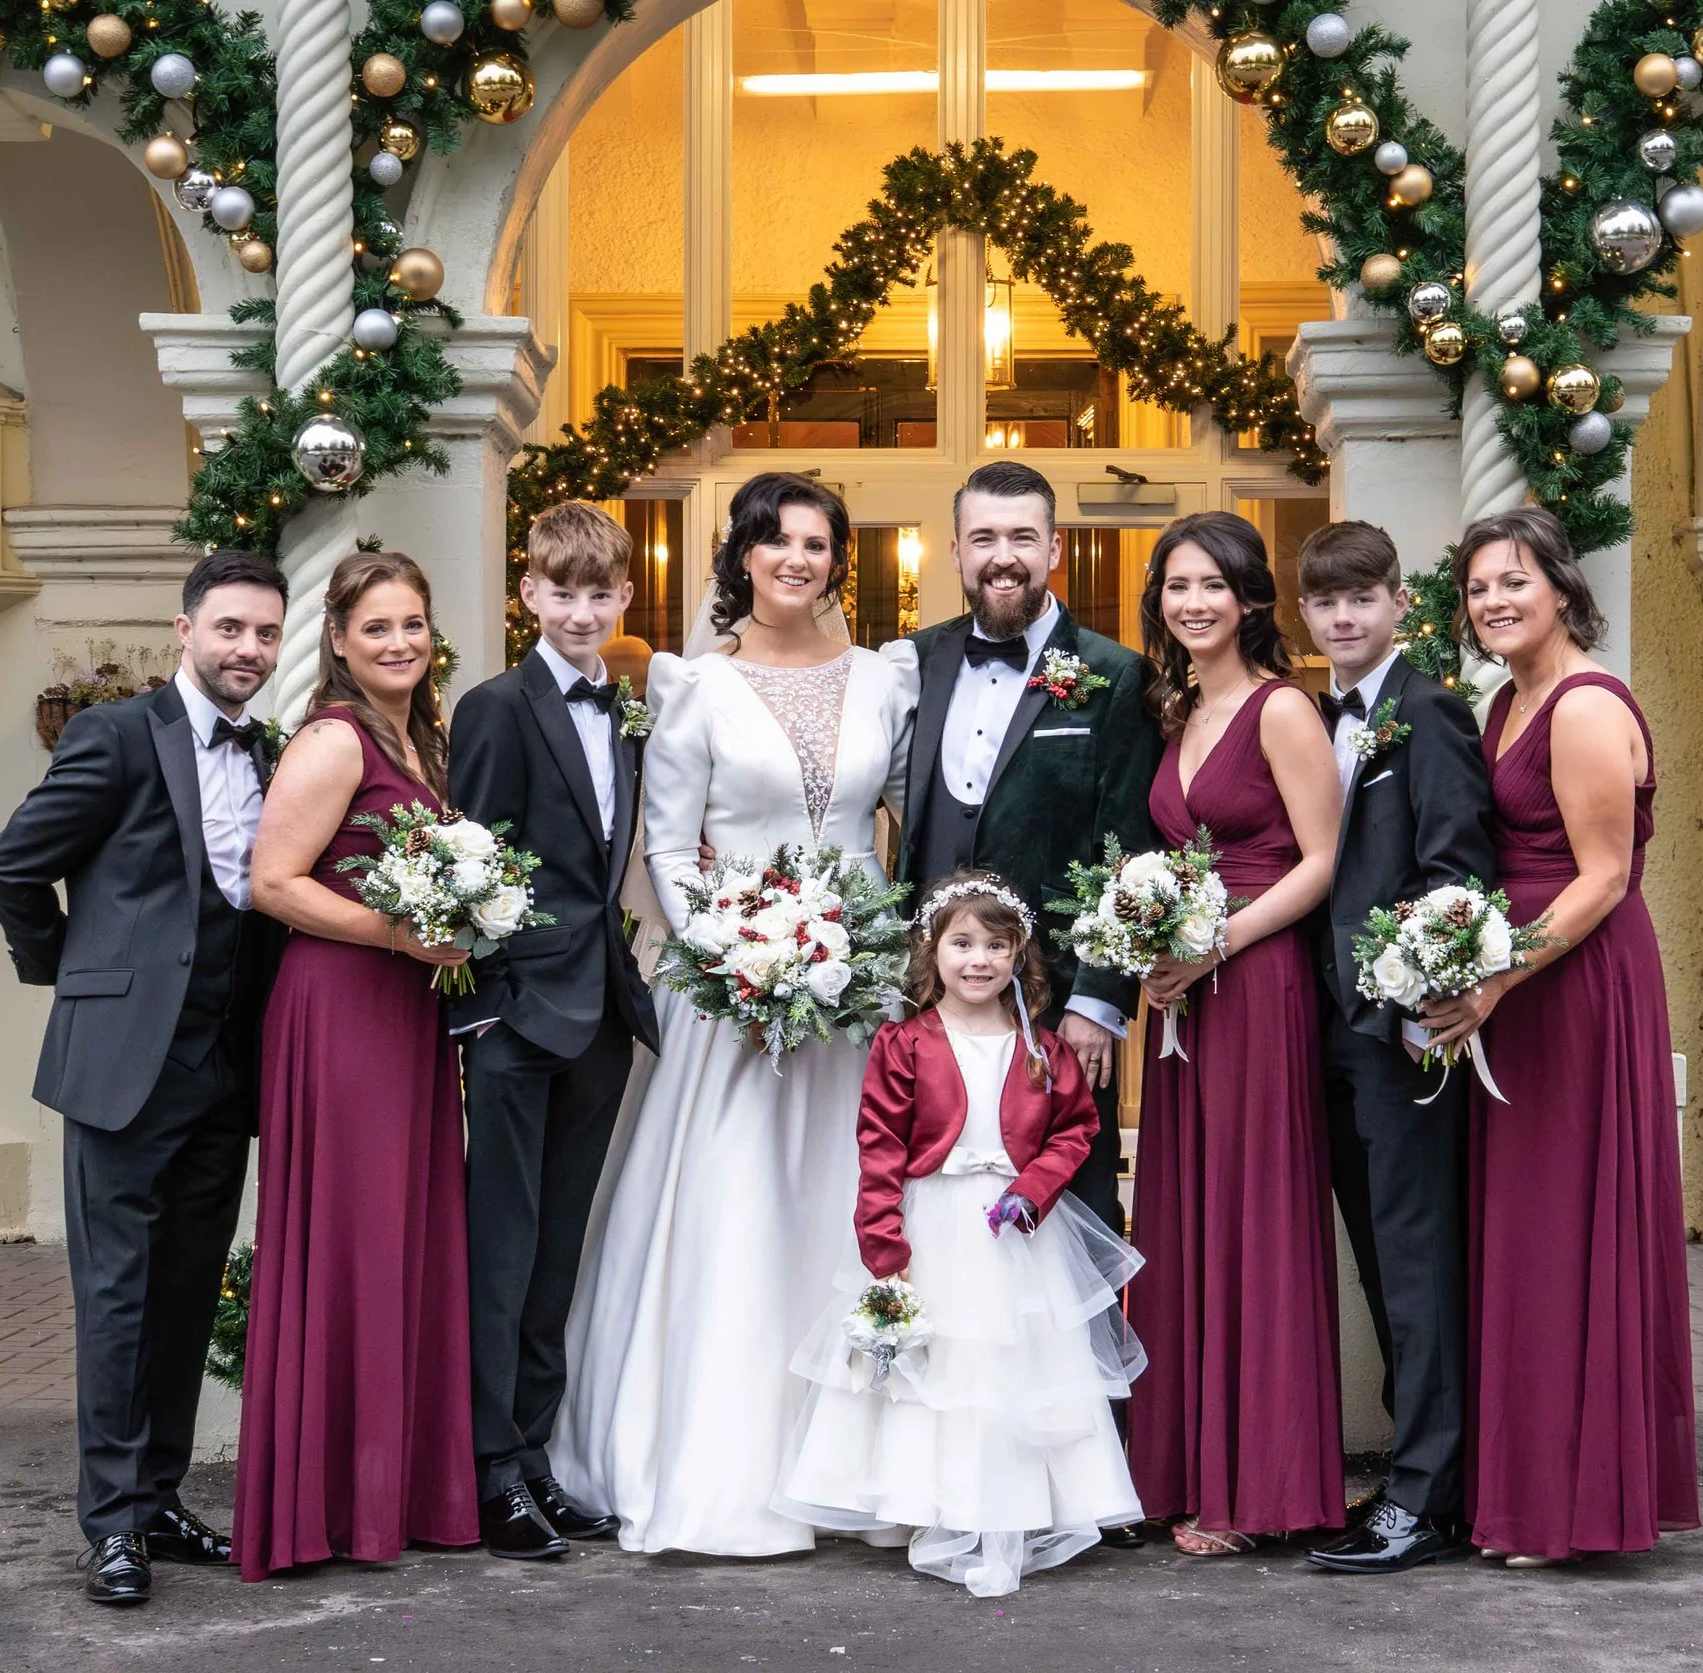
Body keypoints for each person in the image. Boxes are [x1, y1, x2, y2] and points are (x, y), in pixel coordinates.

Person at [551, 472, 916, 1556]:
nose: (797, 558)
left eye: (816, 542)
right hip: (731, 986)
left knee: (856, 1198)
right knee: (734, 1201)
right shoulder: (692, 687)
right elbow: (667, 845)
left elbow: (901, 812)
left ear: (835, 560)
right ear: (743, 555)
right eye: (776, 540)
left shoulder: (884, 678)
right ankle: (719, 1455)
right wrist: (739, 957)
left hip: (859, 978)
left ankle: (864, 1456)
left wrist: (851, 949)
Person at [0, 549, 288, 1606]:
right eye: (230, 628)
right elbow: (12, 864)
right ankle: (110, 1521)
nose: (246, 648)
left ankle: (157, 1494)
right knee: (116, 1294)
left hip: (221, 1065)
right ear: (186, 629)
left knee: (186, 1290)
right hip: (122, 1065)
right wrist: (77, 975)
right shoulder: (115, 735)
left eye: (263, 633)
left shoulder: (273, 752)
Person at [1417, 505, 1699, 1568]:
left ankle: (1572, 1506)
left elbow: (1605, 876)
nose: (1492, 600)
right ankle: (1531, 1491)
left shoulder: (1580, 705)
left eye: (1513, 581)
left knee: (1564, 1229)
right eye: (1478, 586)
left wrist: (1494, 974)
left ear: (1561, 590)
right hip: (1521, 979)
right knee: (1526, 1238)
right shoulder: (1505, 701)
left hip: (1573, 982)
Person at [777, 873, 1146, 1598]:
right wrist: (887, 1254)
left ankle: (1007, 1511)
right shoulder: (904, 1042)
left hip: (1013, 1233)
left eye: (997, 945)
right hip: (932, 1226)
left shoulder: (1042, 1051)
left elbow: (1076, 1131)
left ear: (1019, 957)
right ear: (932, 950)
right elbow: (879, 1146)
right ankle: (929, 1506)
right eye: (963, 943)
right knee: (939, 1372)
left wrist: (1030, 1192)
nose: (979, 959)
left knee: (1010, 1370)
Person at [234, 551, 481, 1580]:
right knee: (351, 1237)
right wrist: (396, 933)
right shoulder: (336, 739)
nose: (399, 642)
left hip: (403, 1010)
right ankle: (323, 1504)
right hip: (340, 1009)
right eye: (376, 625)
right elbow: (271, 881)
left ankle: (396, 1492)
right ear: (336, 640)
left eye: (412, 623)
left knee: (402, 1236)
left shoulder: (418, 740)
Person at [1123, 511, 1346, 1555]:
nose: (1192, 601)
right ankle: (1185, 1464)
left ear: (1252, 597)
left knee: (1251, 1216)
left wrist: (1217, 943)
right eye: (1175, 586)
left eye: (1212, 583)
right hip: (1188, 991)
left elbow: (1318, 861)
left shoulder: (1280, 708)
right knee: (1188, 1213)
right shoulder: (1178, 709)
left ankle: (1257, 1484)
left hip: (1256, 984)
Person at [444, 503, 660, 1559]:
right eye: (560, 592)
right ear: (527, 594)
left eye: (599, 593)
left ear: (625, 596)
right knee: (504, 1247)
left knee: (557, 1250)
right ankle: (488, 1471)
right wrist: (487, 1013)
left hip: (599, 1018)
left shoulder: (625, 709)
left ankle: (533, 1455)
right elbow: (473, 865)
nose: (581, 610)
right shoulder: (493, 707)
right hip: (519, 1017)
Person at [1296, 522, 1499, 1576]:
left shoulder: (1427, 712)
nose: (1342, 618)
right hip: (1326, 1033)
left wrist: (1403, 1002)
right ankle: (1427, 1473)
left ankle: (1424, 1494)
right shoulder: (1320, 713)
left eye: (1360, 599)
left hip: (1398, 1035)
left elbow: (1452, 873)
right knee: (1379, 1267)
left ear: (1395, 605)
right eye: (1325, 603)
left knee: (1416, 1269)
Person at [883, 462, 1160, 1229]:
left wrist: (1099, 1001)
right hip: (929, 996)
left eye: (1021, 537)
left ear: (1054, 549)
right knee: (928, 1195)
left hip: (1058, 1002)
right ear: (955, 552)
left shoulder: (1113, 675)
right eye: (984, 537)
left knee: (1075, 1205)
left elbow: (1128, 848)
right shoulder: (913, 660)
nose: (1002, 555)